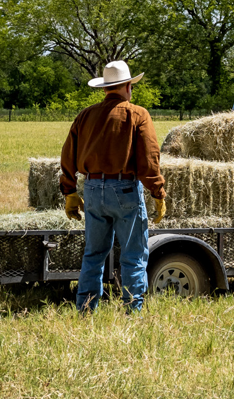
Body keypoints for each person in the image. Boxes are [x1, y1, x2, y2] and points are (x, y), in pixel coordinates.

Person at [60, 60, 165, 312]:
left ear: (105, 89)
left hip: (93, 189)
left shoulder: (85, 115)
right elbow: (149, 159)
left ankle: (85, 309)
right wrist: (158, 192)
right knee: (133, 254)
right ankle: (132, 309)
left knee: (93, 254)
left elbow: (67, 155)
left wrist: (70, 192)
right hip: (125, 190)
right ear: (128, 86)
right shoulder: (138, 114)